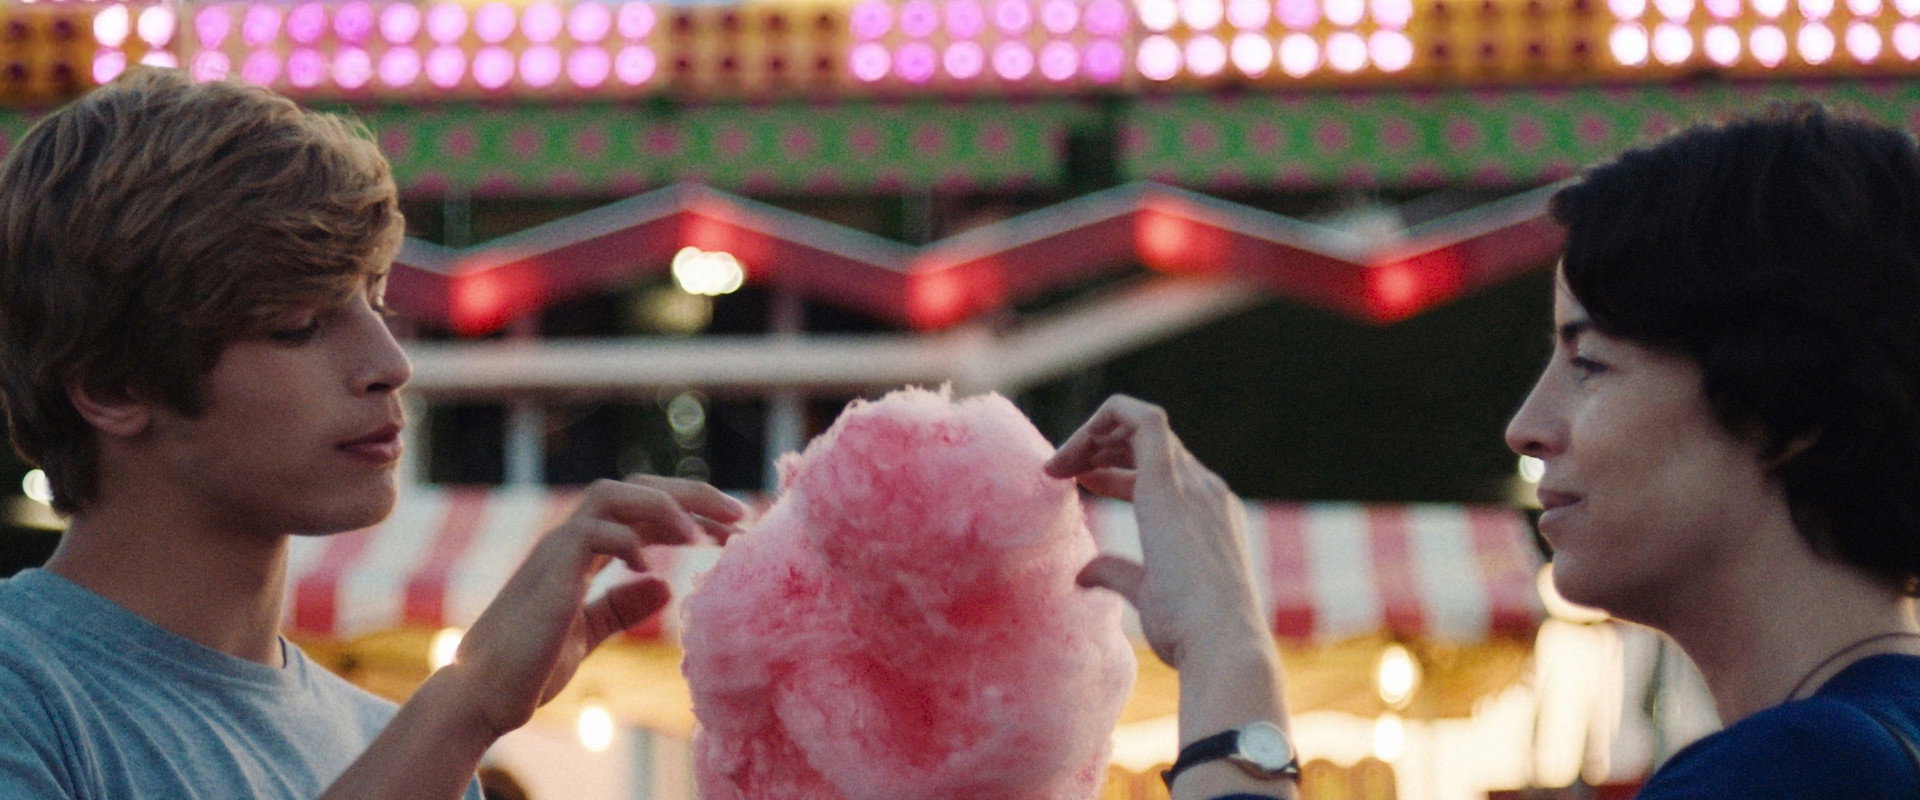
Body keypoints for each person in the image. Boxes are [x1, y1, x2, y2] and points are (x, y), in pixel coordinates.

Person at [1049, 103, 1920, 799]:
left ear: (1783, 408)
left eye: (1589, 364)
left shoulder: (1804, 767)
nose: (1526, 425)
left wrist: (1227, 657)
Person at [0, 67, 747, 799]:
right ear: (112, 386)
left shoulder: (392, 743)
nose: (390, 364)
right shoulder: (26, 692)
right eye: (298, 325)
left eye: (376, 303)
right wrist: (466, 703)